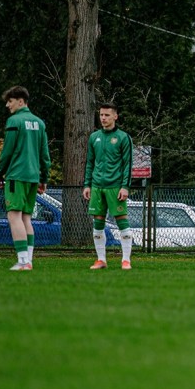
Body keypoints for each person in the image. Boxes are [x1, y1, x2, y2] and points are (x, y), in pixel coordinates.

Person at [0, 86, 50, 271]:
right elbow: (44, 154)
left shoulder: (14, 121)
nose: (8, 105)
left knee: (14, 216)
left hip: (17, 175)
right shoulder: (39, 123)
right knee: (26, 218)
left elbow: (7, 150)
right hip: (33, 177)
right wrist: (44, 177)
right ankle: (29, 261)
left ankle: (23, 261)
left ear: (20, 101)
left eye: (10, 101)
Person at [83, 103, 134, 270]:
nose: (103, 118)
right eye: (101, 115)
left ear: (115, 116)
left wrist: (125, 186)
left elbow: (128, 164)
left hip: (115, 186)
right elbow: (90, 162)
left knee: (122, 221)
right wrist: (87, 185)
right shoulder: (94, 137)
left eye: (107, 115)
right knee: (97, 222)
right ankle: (101, 260)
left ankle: (126, 260)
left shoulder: (123, 137)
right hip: (97, 186)